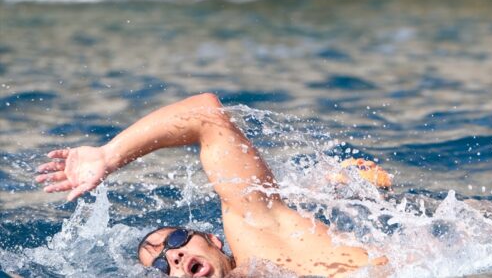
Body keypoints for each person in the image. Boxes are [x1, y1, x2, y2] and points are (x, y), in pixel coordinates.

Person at [35, 93, 387, 277]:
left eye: (176, 240)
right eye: (160, 265)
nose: (172, 255)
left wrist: (108, 156)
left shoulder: (260, 235)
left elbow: (206, 114)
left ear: (215, 240)